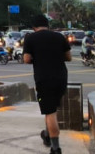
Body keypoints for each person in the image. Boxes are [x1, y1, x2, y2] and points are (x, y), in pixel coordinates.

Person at [23, 14, 71, 154]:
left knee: (50, 113)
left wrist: (39, 58)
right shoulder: (59, 37)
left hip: (44, 78)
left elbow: (26, 59)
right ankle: (47, 134)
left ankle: (55, 147)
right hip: (61, 77)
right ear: (48, 25)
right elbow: (68, 57)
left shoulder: (30, 38)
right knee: (52, 108)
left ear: (34, 27)